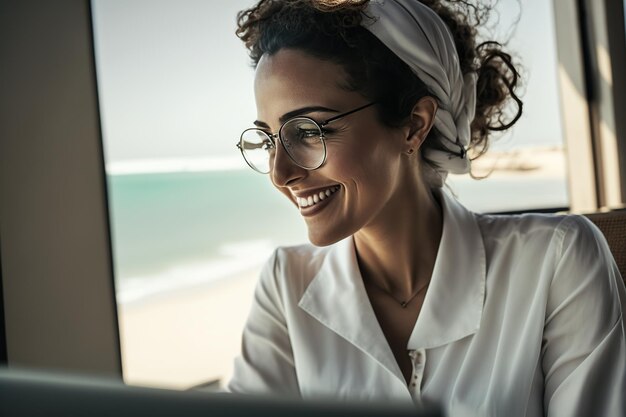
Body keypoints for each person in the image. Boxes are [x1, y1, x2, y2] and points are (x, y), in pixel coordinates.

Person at [227, 0, 626, 415]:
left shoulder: (557, 261)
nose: (280, 173)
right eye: (269, 138)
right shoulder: (285, 285)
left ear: (415, 123)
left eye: (307, 131)